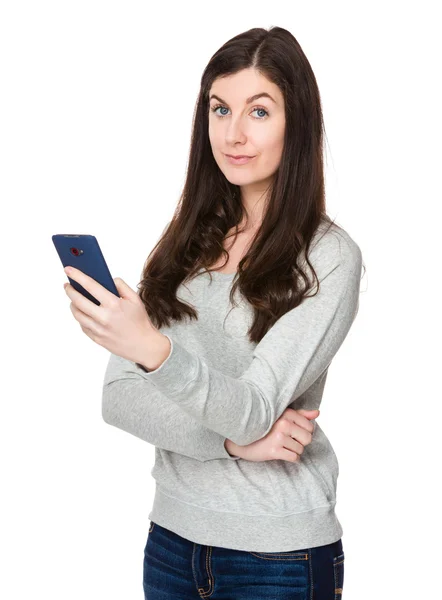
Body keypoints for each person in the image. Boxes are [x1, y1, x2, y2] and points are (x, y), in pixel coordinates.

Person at [102, 25, 364, 599]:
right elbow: (118, 399)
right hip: (172, 542)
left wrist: (153, 351)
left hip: (278, 557)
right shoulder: (185, 244)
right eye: (220, 109)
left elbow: (252, 409)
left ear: (297, 123)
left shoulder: (328, 258)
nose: (234, 133)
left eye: (259, 111)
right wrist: (231, 444)